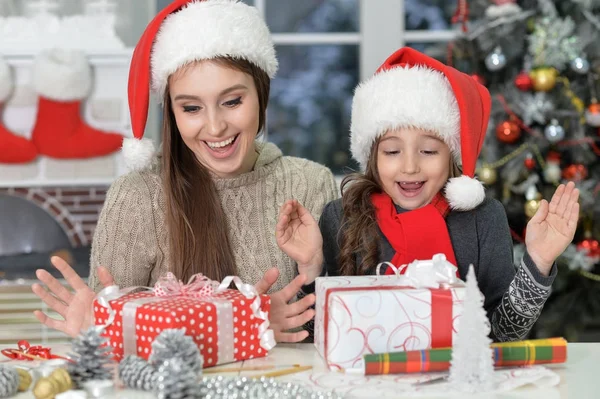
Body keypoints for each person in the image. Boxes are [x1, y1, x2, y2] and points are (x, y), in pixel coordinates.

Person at [31, 0, 338, 343]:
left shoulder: (311, 184)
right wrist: (246, 325)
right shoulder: (138, 196)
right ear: (173, 114)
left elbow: (341, 332)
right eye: (191, 108)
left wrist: (316, 271)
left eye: (233, 101)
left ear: (261, 95)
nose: (215, 126)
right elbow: (113, 339)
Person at [276, 47, 580, 342]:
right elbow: (321, 335)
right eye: (393, 151)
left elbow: (502, 335)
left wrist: (537, 263)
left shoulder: (483, 218)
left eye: (429, 151)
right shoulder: (341, 216)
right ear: (373, 156)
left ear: (451, 154)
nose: (410, 166)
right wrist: (312, 268)